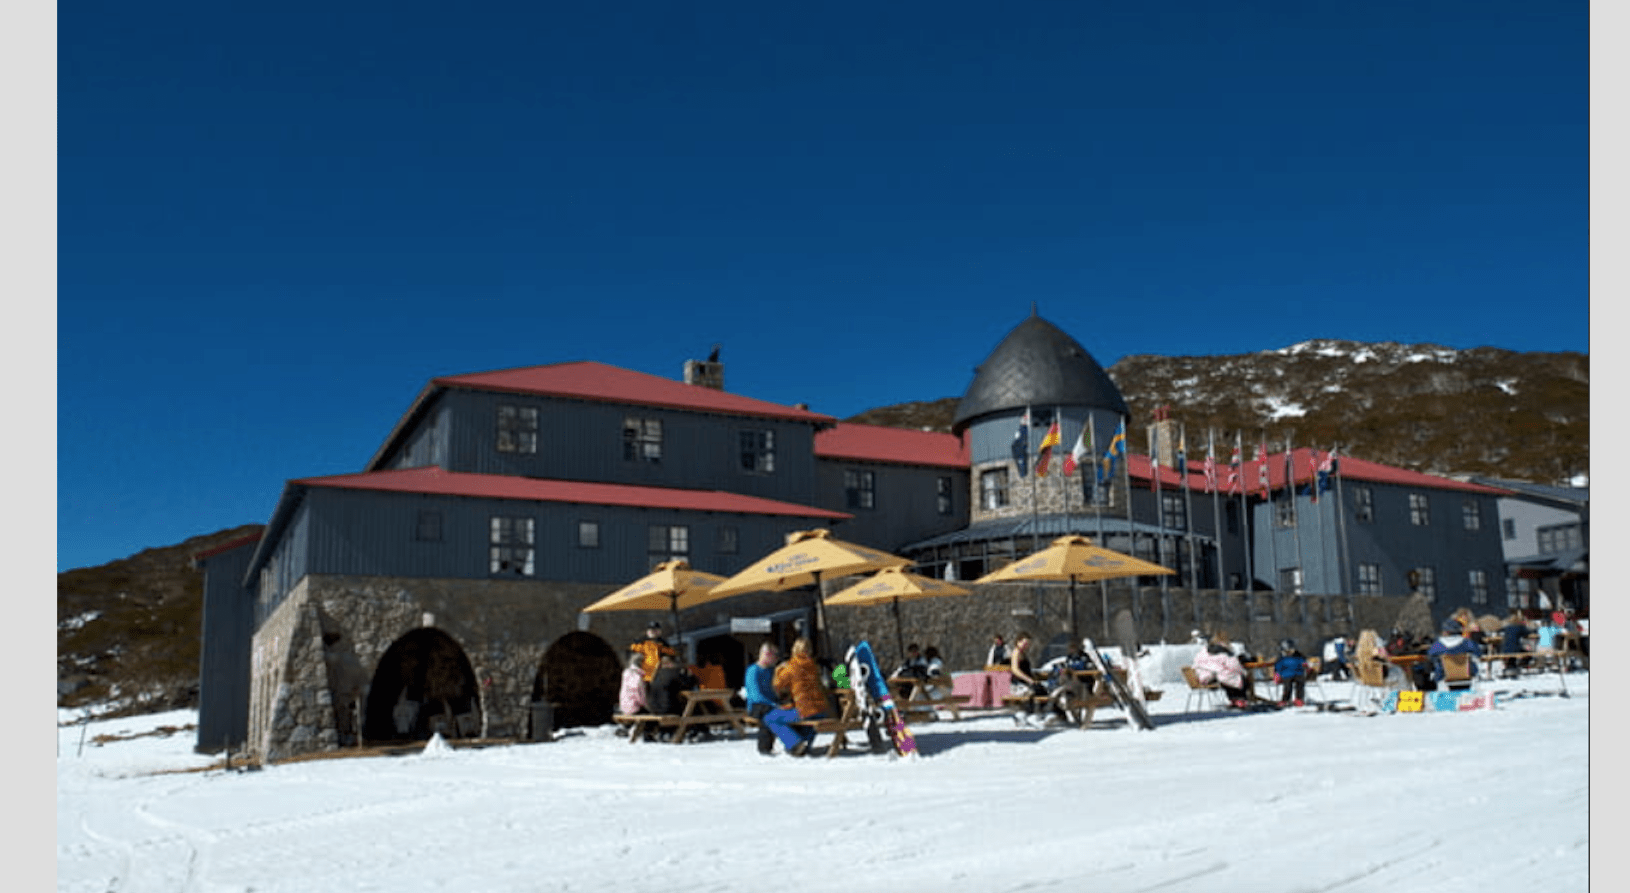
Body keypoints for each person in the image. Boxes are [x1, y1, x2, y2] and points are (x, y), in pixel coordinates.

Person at [764, 637, 829, 757]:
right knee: (806, 718)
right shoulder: (813, 665)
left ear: (795, 649)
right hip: (821, 710)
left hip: (805, 710)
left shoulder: (792, 665)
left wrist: (779, 669)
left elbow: (777, 684)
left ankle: (795, 743)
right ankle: (804, 742)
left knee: (770, 718)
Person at [742, 642, 781, 756]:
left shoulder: (772, 671)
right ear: (767, 654)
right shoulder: (753, 671)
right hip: (756, 706)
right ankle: (764, 747)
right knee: (768, 713)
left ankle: (795, 742)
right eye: (774, 655)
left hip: (770, 703)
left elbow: (776, 690)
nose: (776, 658)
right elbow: (756, 695)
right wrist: (773, 704)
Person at [1192, 641, 1251, 708]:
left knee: (1227, 678)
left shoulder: (1202, 654)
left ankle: (1234, 700)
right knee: (1239, 678)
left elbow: (1196, 665)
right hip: (1215, 677)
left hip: (1206, 677)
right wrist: (1243, 672)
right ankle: (1240, 700)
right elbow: (1235, 666)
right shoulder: (1225, 655)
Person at [1427, 618, 1481, 689]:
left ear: (1445, 631)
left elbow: (1430, 656)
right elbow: (1478, 653)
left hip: (1445, 676)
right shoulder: (1467, 643)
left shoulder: (1438, 645)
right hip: (1467, 675)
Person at [1272, 639, 1310, 707]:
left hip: (1298, 673)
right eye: (1287, 651)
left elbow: (1304, 661)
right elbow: (1277, 665)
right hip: (1286, 674)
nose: (1289, 653)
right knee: (1287, 687)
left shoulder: (1298, 656)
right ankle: (1285, 700)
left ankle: (1299, 699)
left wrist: (1306, 665)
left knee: (1300, 684)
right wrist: (1277, 673)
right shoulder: (1282, 658)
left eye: (1291, 650)